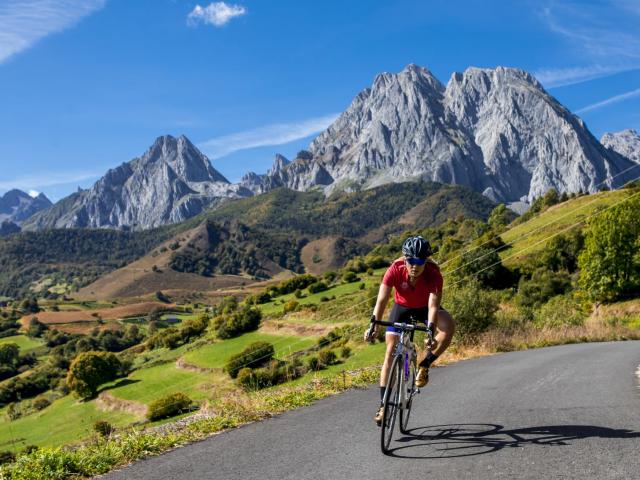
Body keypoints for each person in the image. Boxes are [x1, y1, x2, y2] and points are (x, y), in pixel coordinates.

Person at [364, 235, 455, 425]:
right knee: (390, 352)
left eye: (419, 261)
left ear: (425, 261)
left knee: (448, 328)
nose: (415, 265)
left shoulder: (433, 274)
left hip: (424, 308)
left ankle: (425, 365)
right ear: (405, 259)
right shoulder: (395, 269)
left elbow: (432, 306)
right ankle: (383, 405)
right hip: (401, 308)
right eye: (411, 261)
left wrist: (430, 331)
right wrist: (373, 324)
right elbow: (381, 300)